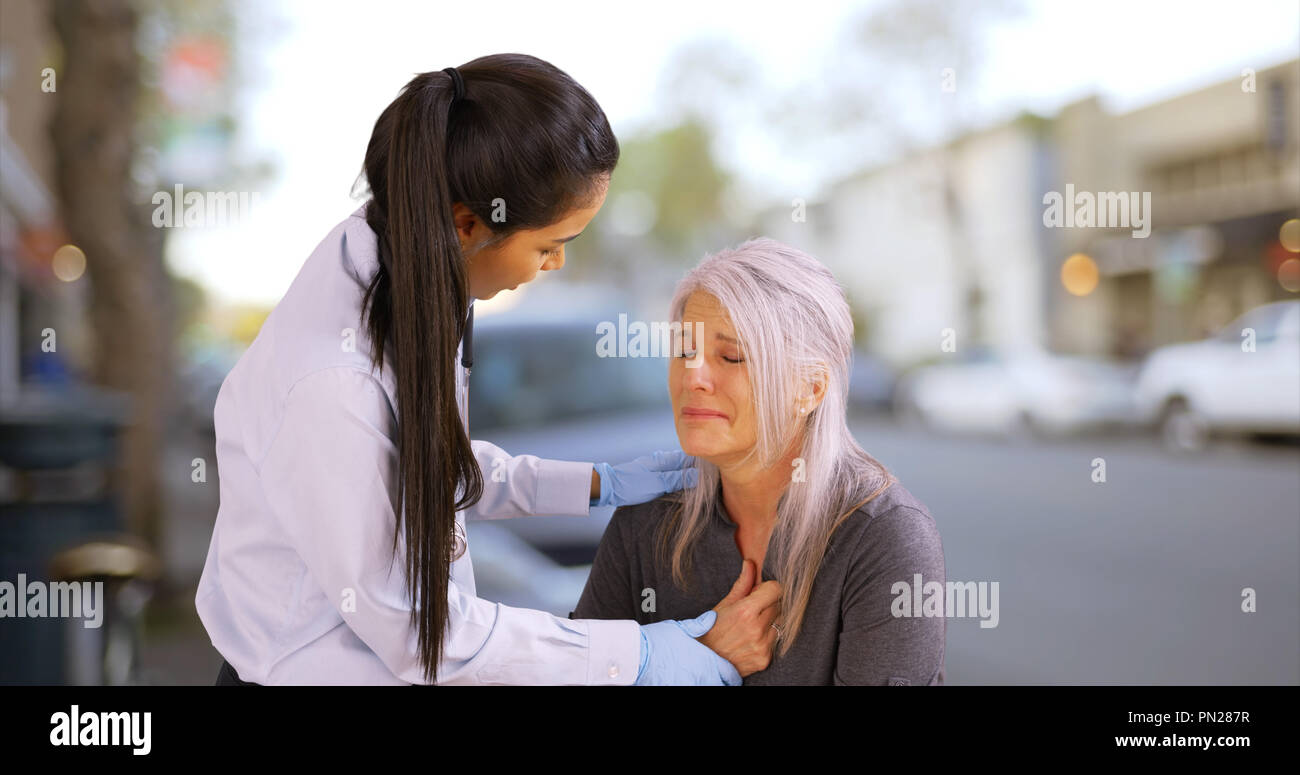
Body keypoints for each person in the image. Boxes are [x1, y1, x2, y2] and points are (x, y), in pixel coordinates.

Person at [196, 54, 780, 685]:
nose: (555, 264)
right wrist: (638, 657)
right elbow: (423, 635)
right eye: (549, 245)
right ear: (467, 224)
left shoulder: (411, 268)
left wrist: (595, 482)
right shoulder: (333, 384)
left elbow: (428, 470)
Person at [573, 238, 946, 685]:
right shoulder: (649, 516)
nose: (694, 377)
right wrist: (696, 659)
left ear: (810, 388)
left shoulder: (883, 536)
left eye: (731, 356)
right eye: (684, 352)